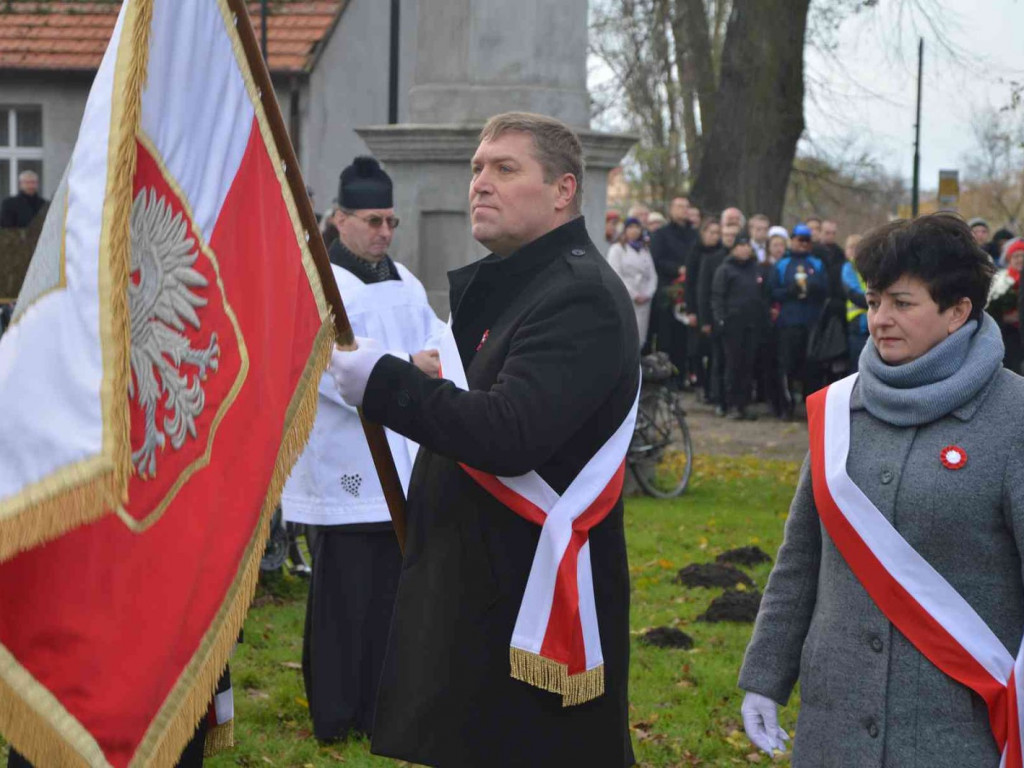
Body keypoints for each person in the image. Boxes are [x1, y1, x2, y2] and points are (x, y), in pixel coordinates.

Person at [327, 112, 640, 767]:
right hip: (486, 588)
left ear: (562, 191)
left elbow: (510, 434)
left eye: (505, 168)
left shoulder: (576, 293)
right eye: (476, 168)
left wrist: (386, 384)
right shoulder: (526, 283)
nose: (480, 184)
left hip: (521, 596)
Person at [739, 212, 1019, 768]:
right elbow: (801, 559)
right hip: (834, 721)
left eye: (901, 303)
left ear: (958, 312)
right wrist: (766, 677)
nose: (880, 320)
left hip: (959, 730)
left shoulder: (1013, 419)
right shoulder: (839, 410)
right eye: (872, 302)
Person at [281, 156, 445, 743]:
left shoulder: (406, 281)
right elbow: (324, 367)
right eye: (373, 220)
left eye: (392, 222)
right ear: (340, 219)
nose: (384, 232)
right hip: (348, 460)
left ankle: (378, 704)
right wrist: (406, 370)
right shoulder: (323, 282)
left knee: (390, 594)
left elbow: (435, 339)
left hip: (401, 457)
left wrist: (428, 369)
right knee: (343, 594)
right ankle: (333, 708)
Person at [769, 223, 828, 419]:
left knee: (812, 367)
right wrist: (790, 291)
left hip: (811, 322)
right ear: (792, 240)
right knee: (787, 365)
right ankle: (787, 406)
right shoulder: (782, 264)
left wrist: (813, 287)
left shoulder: (817, 263)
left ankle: (811, 408)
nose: (803, 244)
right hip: (788, 323)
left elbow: (826, 288)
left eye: (806, 240)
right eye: (799, 240)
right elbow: (772, 292)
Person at [711, 236, 769, 420]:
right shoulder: (725, 269)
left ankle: (744, 404)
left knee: (748, 365)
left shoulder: (756, 269)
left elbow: (762, 295)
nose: (744, 249)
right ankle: (731, 404)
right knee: (733, 365)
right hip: (732, 324)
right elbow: (717, 296)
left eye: (747, 246)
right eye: (740, 246)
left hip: (752, 323)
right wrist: (720, 319)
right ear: (734, 248)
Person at [650, 196, 698, 376]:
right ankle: (665, 375)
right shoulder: (661, 234)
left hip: (689, 291)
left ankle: (684, 375)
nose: (683, 210)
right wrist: (678, 269)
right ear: (671, 210)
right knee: (666, 336)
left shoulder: (694, 234)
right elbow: (656, 260)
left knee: (685, 338)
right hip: (667, 292)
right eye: (679, 207)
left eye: (686, 207)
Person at [698, 221, 733, 414]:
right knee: (717, 359)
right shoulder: (711, 259)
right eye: (725, 234)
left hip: (734, 318)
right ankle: (717, 397)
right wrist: (705, 320)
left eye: (732, 235)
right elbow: (703, 291)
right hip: (715, 317)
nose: (729, 238)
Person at [607, 216, 658, 343]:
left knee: (640, 337)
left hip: (644, 300)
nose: (634, 231)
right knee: (625, 336)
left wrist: (648, 293)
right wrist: (634, 295)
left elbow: (652, 275)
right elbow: (615, 274)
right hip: (626, 298)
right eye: (630, 227)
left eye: (637, 227)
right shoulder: (617, 249)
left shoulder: (644, 250)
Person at [841, 234, 869, 372]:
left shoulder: (870, 266)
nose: (853, 251)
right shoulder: (848, 268)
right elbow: (852, 292)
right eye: (850, 247)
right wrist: (873, 302)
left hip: (871, 320)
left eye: (856, 247)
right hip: (858, 322)